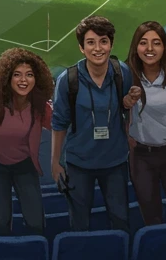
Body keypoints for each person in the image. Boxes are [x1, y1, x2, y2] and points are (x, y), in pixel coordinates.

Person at [51, 15, 132, 233]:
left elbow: (128, 110)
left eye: (103, 41)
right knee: (79, 223)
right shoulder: (68, 80)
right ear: (81, 47)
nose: (98, 48)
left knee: (120, 219)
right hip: (79, 164)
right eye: (90, 42)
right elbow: (59, 123)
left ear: (111, 44)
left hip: (115, 162)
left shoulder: (121, 72)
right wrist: (55, 162)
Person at [125, 21, 166, 225]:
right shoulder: (126, 75)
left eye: (156, 43)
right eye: (144, 43)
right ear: (136, 47)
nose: (150, 49)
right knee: (151, 214)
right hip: (141, 157)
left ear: (164, 47)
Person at [0, 48, 53, 237]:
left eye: (29, 75)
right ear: (7, 78)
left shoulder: (40, 106)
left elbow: (61, 125)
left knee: (36, 221)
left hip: (24, 164)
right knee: (1, 221)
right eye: (17, 75)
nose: (23, 80)